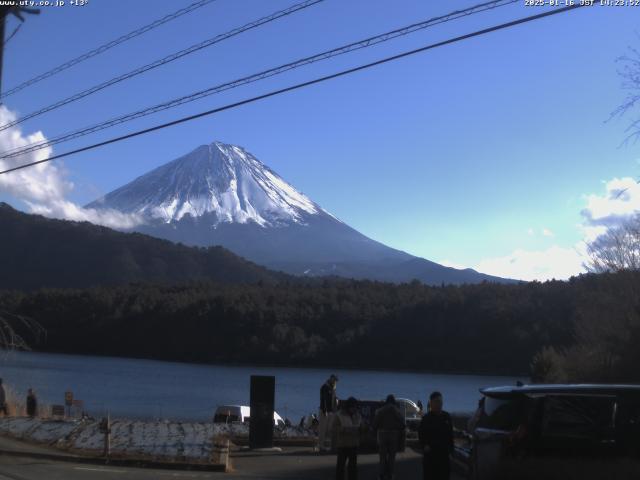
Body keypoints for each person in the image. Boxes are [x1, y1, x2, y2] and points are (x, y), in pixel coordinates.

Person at [419, 391, 453, 480]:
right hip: (431, 457)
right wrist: (424, 446)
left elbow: (450, 435)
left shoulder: (447, 417)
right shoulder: (426, 419)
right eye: (437, 401)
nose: (439, 404)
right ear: (431, 403)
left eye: (441, 402)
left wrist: (451, 451)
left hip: (444, 456)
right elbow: (421, 435)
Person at [372, 394, 405, 480]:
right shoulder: (397, 411)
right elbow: (402, 424)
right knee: (392, 457)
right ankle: (391, 474)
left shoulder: (381, 410)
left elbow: (375, 423)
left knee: (382, 456)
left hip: (382, 434)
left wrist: (375, 430)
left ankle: (381, 474)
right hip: (393, 434)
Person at [332, 396, 361, 480]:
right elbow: (334, 428)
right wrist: (344, 429)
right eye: (353, 407)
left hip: (354, 444)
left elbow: (360, 425)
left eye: (355, 407)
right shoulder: (339, 415)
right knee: (340, 466)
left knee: (353, 467)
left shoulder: (357, 415)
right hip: (343, 444)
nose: (354, 409)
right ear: (348, 407)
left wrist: (362, 428)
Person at [318, 374, 339, 451]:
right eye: (334, 380)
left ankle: (328, 445)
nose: (335, 381)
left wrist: (336, 400)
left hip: (331, 411)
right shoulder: (325, 387)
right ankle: (321, 446)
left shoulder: (333, 388)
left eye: (336, 380)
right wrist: (325, 410)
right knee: (322, 429)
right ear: (330, 378)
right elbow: (324, 400)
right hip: (324, 410)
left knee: (329, 429)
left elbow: (333, 398)